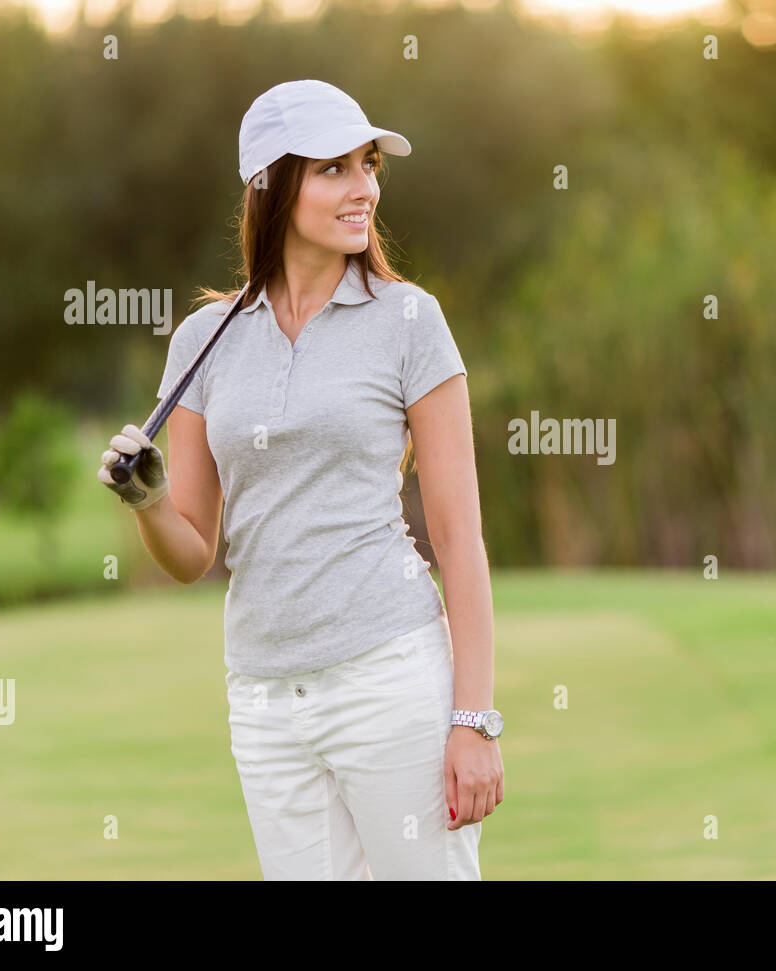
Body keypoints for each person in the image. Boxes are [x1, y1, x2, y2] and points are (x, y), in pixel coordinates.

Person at [96, 79, 503, 880]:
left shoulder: (409, 320)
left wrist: (474, 719)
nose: (365, 190)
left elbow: (460, 541)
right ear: (271, 185)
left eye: (369, 164)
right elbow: (192, 553)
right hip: (264, 701)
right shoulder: (204, 340)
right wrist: (145, 501)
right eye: (335, 169)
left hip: (391, 677)